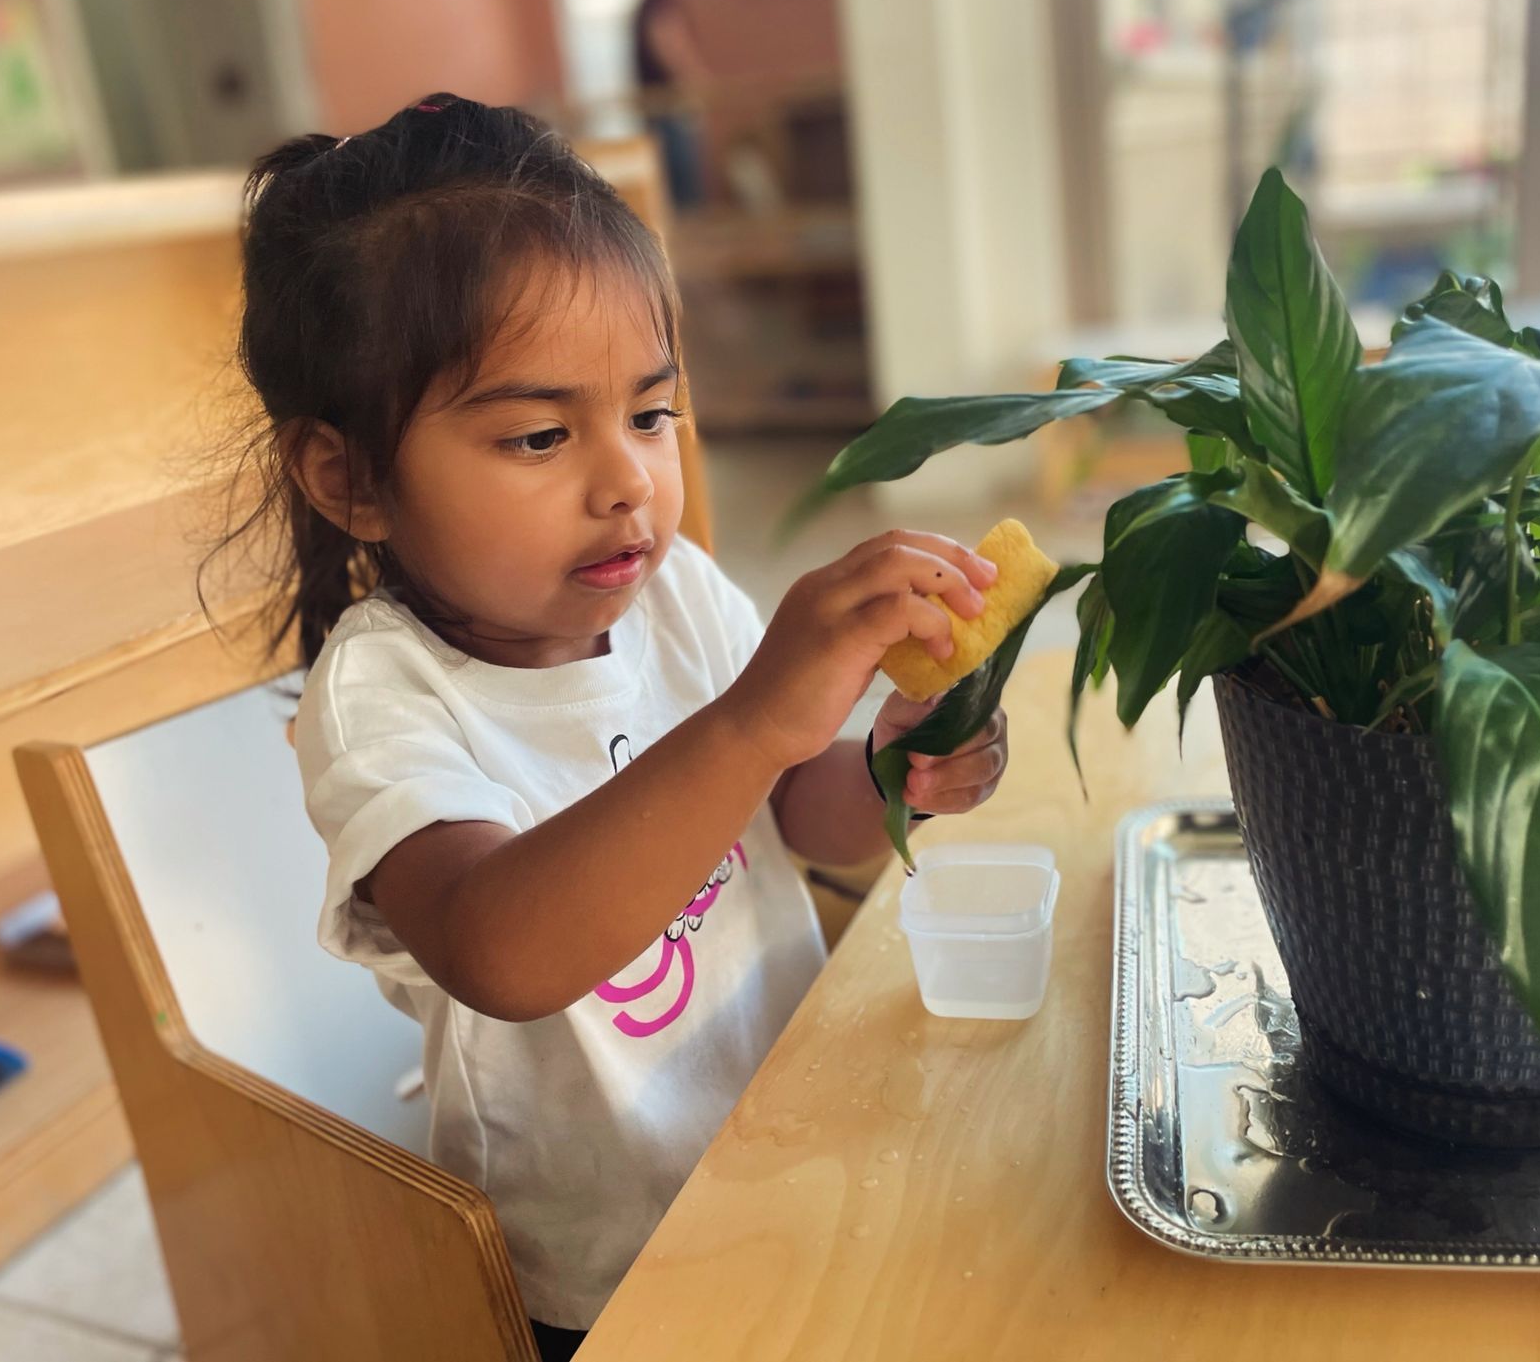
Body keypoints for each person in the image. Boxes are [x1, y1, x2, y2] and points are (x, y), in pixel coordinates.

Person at [219, 93, 1008, 1360]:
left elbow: (803, 820)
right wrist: (755, 718)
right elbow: (505, 952)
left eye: (649, 413)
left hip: (785, 1141)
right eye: (539, 433)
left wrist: (894, 761)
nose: (628, 479)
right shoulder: (379, 698)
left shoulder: (676, 593)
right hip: (600, 1260)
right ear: (350, 477)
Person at [632, 0, 715, 209]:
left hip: (668, 114)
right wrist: (702, 88)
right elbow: (672, 52)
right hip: (665, 114)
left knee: (685, 196)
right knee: (684, 201)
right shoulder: (661, 1)